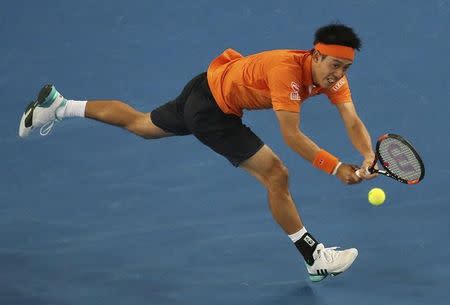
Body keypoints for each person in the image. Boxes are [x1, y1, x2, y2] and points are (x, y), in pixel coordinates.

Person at [19, 23, 377, 282]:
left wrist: (367, 156)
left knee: (142, 125)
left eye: (345, 68)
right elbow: (292, 135)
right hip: (212, 111)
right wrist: (336, 168)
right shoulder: (287, 73)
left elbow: (351, 119)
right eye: (333, 65)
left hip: (204, 85)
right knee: (276, 174)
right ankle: (314, 256)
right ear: (315, 55)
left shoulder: (333, 78)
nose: (338, 75)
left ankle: (58, 106)